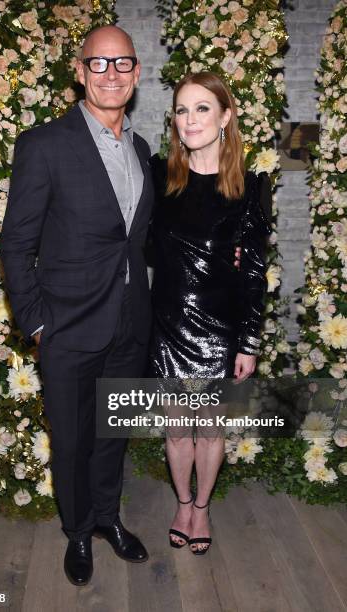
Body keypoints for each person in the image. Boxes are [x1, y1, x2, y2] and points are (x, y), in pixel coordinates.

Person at [0, 25, 154, 586]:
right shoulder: (43, 145)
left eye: (122, 64)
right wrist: (37, 321)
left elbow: (137, 238)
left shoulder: (141, 149)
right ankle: (77, 532)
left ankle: (109, 519)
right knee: (70, 442)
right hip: (67, 327)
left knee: (114, 433)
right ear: (80, 71)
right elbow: (16, 243)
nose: (111, 74)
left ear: (136, 74)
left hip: (131, 324)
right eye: (99, 63)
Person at [148, 72, 272, 555]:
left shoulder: (252, 188)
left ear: (225, 116)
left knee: (210, 429)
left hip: (221, 329)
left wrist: (248, 341)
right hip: (168, 323)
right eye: (182, 110)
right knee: (178, 428)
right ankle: (182, 503)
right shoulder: (161, 177)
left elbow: (254, 274)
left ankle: (202, 508)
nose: (190, 119)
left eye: (203, 108)